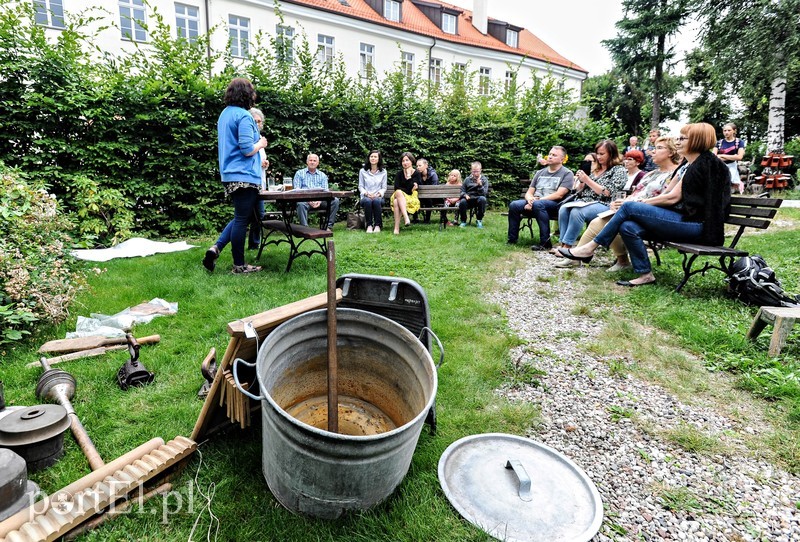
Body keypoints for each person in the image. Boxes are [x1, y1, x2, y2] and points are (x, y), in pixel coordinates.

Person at [558, 123, 731, 287]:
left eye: (682, 138)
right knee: (628, 226)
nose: (678, 142)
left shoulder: (708, 164)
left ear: (696, 141)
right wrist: (642, 204)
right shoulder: (687, 165)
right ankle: (645, 274)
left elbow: (672, 198)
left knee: (629, 207)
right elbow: (666, 194)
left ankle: (591, 247)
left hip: (699, 226)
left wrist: (640, 203)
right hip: (682, 219)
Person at [566, 136, 682, 272]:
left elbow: (668, 199)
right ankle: (581, 256)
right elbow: (635, 194)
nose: (653, 151)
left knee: (612, 222)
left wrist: (633, 204)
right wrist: (620, 202)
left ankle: (593, 255)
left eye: (659, 148)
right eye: (654, 148)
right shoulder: (651, 174)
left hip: (652, 213)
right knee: (599, 221)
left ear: (671, 152)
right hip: (632, 209)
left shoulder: (676, 174)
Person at [203, 77, 268, 274]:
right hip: (244, 174)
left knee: (241, 216)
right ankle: (239, 265)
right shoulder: (244, 116)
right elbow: (247, 149)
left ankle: (216, 248)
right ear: (247, 95)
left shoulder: (224, 114)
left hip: (229, 173)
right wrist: (261, 144)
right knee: (242, 219)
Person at [554, 139, 626, 262]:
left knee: (577, 212)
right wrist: (581, 181)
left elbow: (608, 193)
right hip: (584, 201)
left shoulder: (618, 170)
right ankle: (563, 244)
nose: (599, 157)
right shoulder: (596, 169)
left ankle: (568, 247)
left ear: (611, 154)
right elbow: (580, 190)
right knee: (563, 209)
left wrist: (587, 180)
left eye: (602, 154)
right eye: (597, 153)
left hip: (605, 203)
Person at [506, 146, 574, 249]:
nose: (550, 156)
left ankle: (545, 243)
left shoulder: (567, 173)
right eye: (550, 154)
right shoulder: (539, 173)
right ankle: (512, 239)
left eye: (554, 155)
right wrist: (530, 200)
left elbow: (559, 195)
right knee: (514, 205)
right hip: (536, 202)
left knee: (538, 204)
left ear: (562, 159)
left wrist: (535, 202)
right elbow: (529, 192)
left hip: (555, 205)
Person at [293, 153, 339, 231]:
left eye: (314, 161)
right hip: (305, 201)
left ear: (317, 163)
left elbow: (326, 191)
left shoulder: (322, 175)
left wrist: (319, 201)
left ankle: (328, 226)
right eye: (310, 160)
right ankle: (305, 229)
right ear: (307, 162)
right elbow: (297, 190)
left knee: (335, 201)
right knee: (300, 204)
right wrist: (308, 200)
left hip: (320, 201)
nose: (312, 162)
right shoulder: (299, 173)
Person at [248, 107, 269, 250]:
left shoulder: (260, 139)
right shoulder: (248, 137)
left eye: (259, 121)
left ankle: (254, 243)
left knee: (259, 214)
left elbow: (261, 160)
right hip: (249, 182)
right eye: (255, 121)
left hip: (260, 182)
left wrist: (265, 164)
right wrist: (258, 163)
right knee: (248, 215)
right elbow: (247, 158)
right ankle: (252, 243)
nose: (257, 124)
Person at [391, 152, 421, 235]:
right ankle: (406, 217)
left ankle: (396, 228)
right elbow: (396, 187)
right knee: (398, 192)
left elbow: (411, 190)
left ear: (411, 161)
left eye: (407, 160)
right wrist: (407, 189)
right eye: (403, 161)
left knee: (396, 202)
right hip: (398, 195)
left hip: (410, 197)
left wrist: (408, 176)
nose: (405, 163)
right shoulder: (399, 174)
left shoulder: (417, 173)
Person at [358, 150, 387, 233]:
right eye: (371, 156)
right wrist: (366, 194)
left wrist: (378, 195)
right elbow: (360, 186)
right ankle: (369, 225)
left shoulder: (383, 172)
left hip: (378, 197)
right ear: (369, 158)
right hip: (366, 196)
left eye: (375, 157)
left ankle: (378, 225)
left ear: (379, 159)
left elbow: (384, 187)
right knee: (368, 201)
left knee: (376, 201)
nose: (373, 158)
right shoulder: (362, 171)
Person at [712, 122, 746, 193]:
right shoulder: (719, 143)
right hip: (720, 166)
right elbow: (714, 157)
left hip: (732, 166)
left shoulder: (739, 142)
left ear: (734, 131)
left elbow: (739, 157)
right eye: (725, 130)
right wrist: (733, 156)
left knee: (730, 182)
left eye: (729, 130)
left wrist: (721, 155)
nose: (726, 132)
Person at [458, 161, 489, 228]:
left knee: (483, 199)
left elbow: (484, 193)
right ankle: (463, 221)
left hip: (478, 198)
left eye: (477, 171)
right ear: (471, 171)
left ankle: (479, 220)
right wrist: (465, 195)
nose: (475, 173)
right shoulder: (467, 179)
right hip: (469, 198)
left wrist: (480, 186)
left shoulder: (484, 180)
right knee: (462, 202)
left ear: (480, 170)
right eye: (474, 171)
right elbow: (462, 191)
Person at [414, 158, 439, 223]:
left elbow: (434, 188)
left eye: (420, 165)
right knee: (413, 198)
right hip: (421, 196)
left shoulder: (433, 175)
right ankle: (415, 219)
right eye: (417, 166)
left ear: (426, 165)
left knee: (428, 199)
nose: (418, 167)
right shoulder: (417, 175)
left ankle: (427, 219)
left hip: (433, 196)